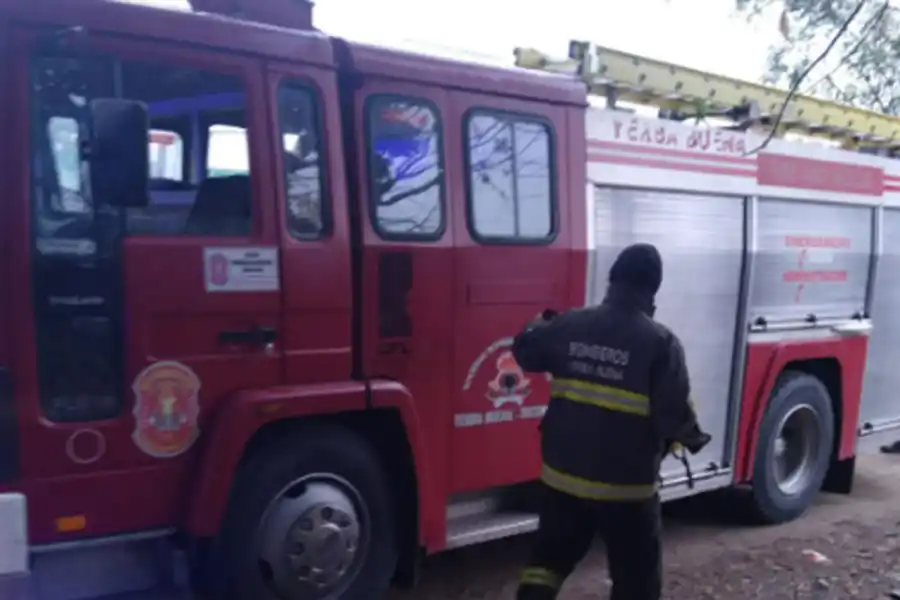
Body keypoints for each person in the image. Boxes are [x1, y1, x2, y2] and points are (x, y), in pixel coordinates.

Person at [512, 243, 712, 600]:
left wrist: (536, 324)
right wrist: (693, 437)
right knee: (636, 580)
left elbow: (525, 351)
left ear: (612, 279)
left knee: (548, 562)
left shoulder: (568, 324)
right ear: (653, 289)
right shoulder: (661, 343)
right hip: (627, 489)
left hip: (563, 477)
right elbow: (673, 415)